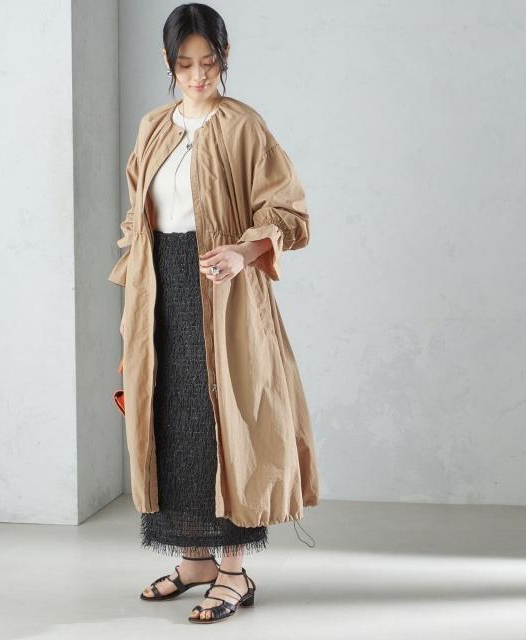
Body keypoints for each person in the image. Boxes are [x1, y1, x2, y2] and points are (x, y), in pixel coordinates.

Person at [111, 3, 319, 625]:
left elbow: (288, 217)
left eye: (209, 62)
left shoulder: (244, 126)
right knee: (173, 419)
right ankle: (195, 560)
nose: (198, 76)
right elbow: (138, 219)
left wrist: (242, 252)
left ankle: (233, 571)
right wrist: (132, 303)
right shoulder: (153, 126)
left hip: (226, 293)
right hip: (159, 290)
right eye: (185, 64)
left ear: (224, 60)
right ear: (169, 64)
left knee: (227, 421)